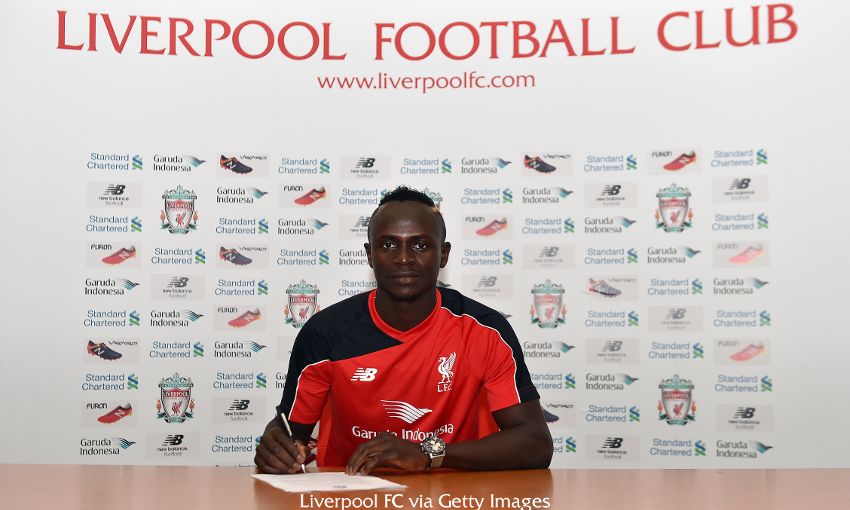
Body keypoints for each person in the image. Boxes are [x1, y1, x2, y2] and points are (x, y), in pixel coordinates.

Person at [255, 186, 553, 475]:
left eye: (420, 245)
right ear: (369, 254)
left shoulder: (485, 330)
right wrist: (276, 447)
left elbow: (536, 443)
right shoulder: (325, 332)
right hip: (351, 493)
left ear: (444, 254)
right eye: (388, 245)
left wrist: (428, 454)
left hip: (453, 495)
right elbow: (290, 431)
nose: (404, 258)